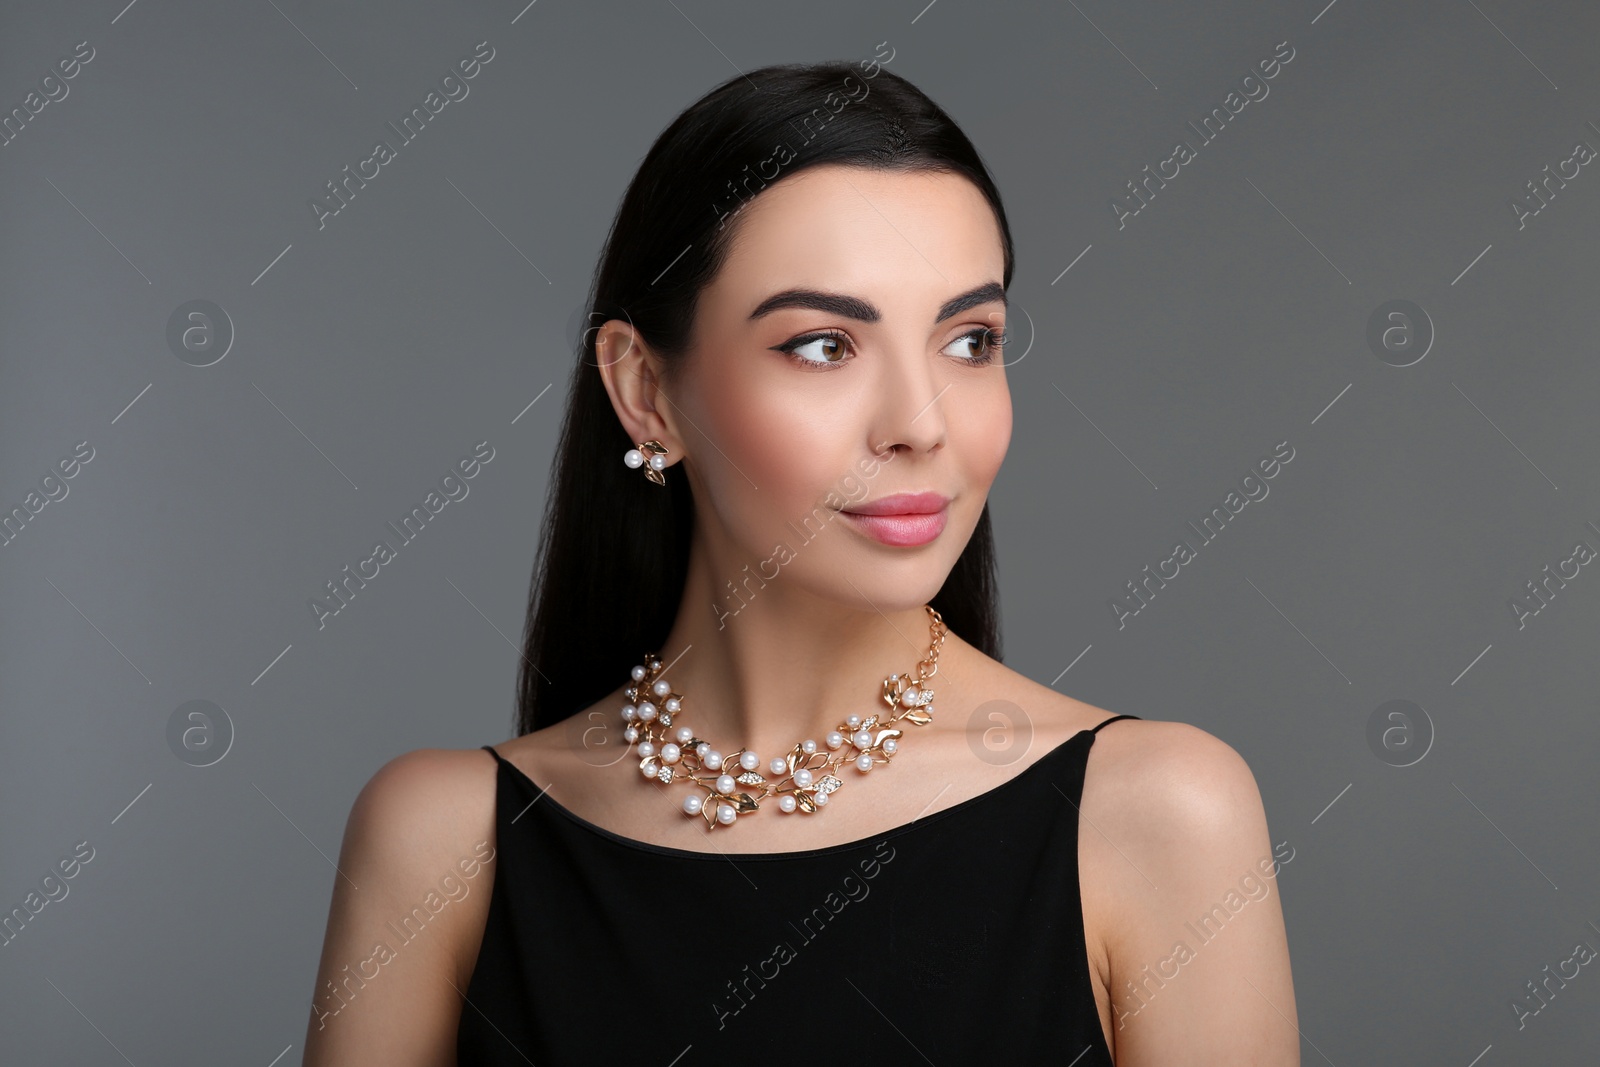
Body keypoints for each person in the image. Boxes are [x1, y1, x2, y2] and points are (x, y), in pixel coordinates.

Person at [303, 58, 1299, 1065]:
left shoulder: (1159, 814)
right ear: (646, 390)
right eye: (823, 345)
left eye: (969, 339)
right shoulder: (442, 841)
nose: (921, 425)